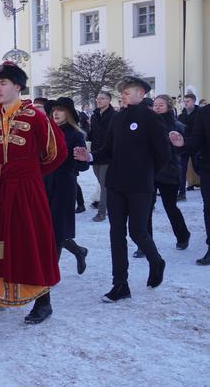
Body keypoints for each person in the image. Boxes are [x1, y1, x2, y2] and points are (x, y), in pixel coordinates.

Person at [0, 62, 67, 339]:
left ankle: (44, 303)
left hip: (26, 193)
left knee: (29, 245)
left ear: (18, 86)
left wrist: (29, 176)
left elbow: (57, 154)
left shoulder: (36, 118)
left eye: (4, 82)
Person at [74, 76, 169, 302]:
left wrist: (147, 175)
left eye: (129, 91)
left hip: (140, 186)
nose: (124, 94)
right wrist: (91, 156)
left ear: (142, 94)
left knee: (138, 232)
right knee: (116, 233)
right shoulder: (118, 119)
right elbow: (108, 149)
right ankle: (120, 284)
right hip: (115, 184)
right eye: (123, 91)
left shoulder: (151, 118)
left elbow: (163, 154)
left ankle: (156, 261)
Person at [45, 97, 89, 274]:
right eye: (54, 110)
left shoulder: (76, 134)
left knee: (57, 229)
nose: (56, 113)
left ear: (68, 113)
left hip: (63, 184)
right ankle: (79, 251)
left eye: (60, 110)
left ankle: (51, 271)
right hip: (44, 182)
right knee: (47, 227)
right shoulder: (45, 131)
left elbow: (83, 165)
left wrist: (79, 159)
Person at [143, 96, 190, 252]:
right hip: (150, 171)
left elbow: (183, 150)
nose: (157, 107)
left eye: (160, 105)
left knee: (170, 207)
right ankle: (146, 244)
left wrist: (177, 144)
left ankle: (183, 236)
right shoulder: (147, 124)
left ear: (168, 107)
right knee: (146, 208)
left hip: (169, 171)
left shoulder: (177, 125)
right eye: (155, 105)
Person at [170, 98, 210, 265]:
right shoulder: (205, 112)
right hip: (208, 167)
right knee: (209, 208)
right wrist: (182, 143)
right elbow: (198, 139)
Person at [87, 91, 117, 222]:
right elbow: (92, 133)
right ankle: (113, 205)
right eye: (97, 98)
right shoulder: (94, 115)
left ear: (109, 100)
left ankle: (102, 212)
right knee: (102, 182)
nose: (98, 100)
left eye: (102, 98)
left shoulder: (115, 116)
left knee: (104, 185)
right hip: (95, 154)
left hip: (108, 155)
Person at [177, 89, 200, 200]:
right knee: (182, 169)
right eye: (185, 101)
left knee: (198, 168)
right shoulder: (182, 116)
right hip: (184, 145)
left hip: (197, 146)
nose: (186, 103)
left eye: (188, 101)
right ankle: (182, 193)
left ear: (194, 101)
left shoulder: (200, 113)